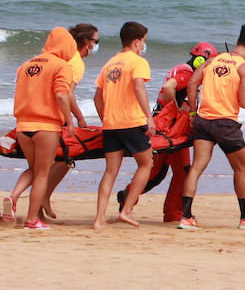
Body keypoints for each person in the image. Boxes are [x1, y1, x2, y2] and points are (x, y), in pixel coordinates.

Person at [117, 41, 217, 222]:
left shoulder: (182, 69)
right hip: (169, 128)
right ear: (200, 60)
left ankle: (168, 211)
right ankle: (170, 211)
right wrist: (177, 113)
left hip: (166, 126)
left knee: (161, 171)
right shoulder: (187, 73)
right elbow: (168, 88)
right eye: (208, 64)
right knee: (173, 171)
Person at [11, 23, 99, 221]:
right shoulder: (62, 66)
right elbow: (63, 94)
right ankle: (32, 219)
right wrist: (71, 121)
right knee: (42, 174)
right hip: (46, 126)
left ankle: (16, 199)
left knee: (34, 171)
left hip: (23, 125)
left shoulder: (25, 65)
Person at [182, 23, 245, 229]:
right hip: (226, 124)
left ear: (237, 41)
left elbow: (192, 84)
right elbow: (244, 102)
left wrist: (193, 112)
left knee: (197, 166)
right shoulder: (244, 68)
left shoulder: (210, 61)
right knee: (240, 168)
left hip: (203, 121)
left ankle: (186, 216)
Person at [93, 21, 155, 229]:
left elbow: (97, 98)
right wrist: (149, 116)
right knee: (146, 164)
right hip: (132, 122)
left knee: (110, 172)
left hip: (111, 125)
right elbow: (139, 88)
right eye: (144, 41)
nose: (144, 45)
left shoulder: (110, 63)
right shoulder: (137, 62)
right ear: (137, 42)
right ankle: (126, 210)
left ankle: (99, 218)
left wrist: (106, 118)